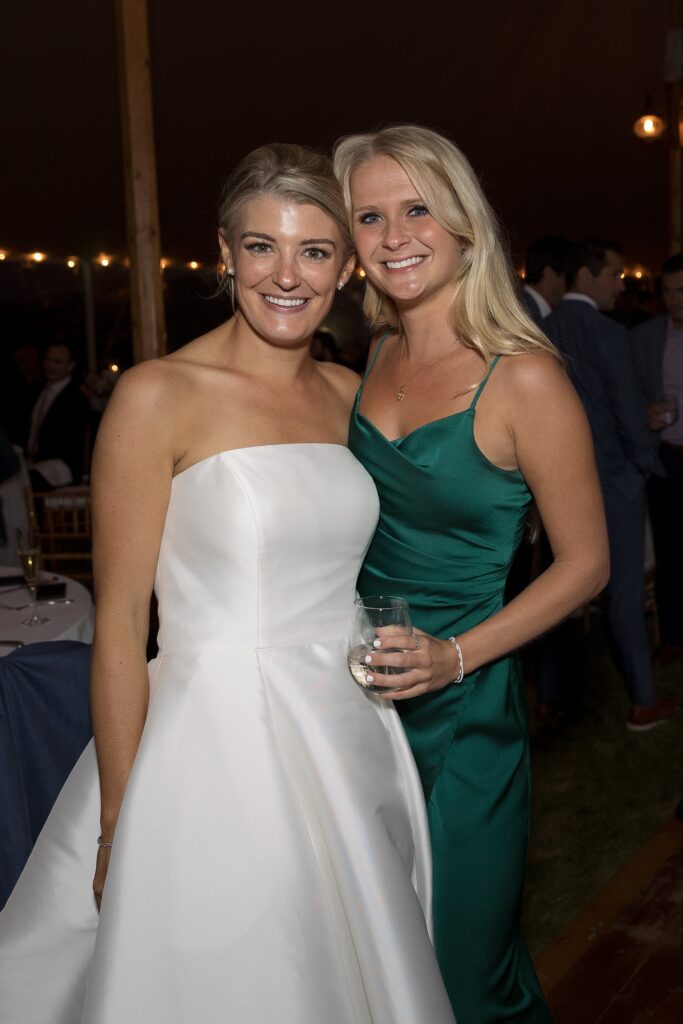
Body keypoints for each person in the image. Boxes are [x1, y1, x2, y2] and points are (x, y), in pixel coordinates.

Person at [0, 145, 455, 1024]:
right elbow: (123, 625)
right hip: (213, 748)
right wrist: (118, 822)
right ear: (223, 253)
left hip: (348, 734)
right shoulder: (156, 395)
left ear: (346, 266)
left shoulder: (346, 392)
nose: (286, 276)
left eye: (314, 251)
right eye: (261, 248)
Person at [335, 125, 609, 1024]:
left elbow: (587, 564)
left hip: (465, 712)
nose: (394, 234)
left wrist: (454, 657)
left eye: (417, 208)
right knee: (379, 962)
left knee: (463, 973)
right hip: (361, 709)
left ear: (463, 225)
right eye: (369, 215)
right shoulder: (369, 361)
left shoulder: (523, 377)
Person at [545, 240, 675, 729]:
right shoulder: (607, 331)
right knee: (622, 594)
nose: (621, 285)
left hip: (557, 484)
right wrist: (644, 465)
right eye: (614, 275)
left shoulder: (543, 329)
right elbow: (625, 413)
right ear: (585, 275)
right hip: (615, 481)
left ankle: (549, 699)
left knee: (558, 592)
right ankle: (642, 701)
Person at [630, 253, 683, 658]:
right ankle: (672, 637)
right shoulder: (646, 336)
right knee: (668, 551)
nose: (673, 300)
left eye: (679, 291)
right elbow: (629, 396)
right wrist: (644, 413)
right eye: (666, 292)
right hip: (665, 458)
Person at [26, 340, 91, 490]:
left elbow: (71, 443)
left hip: (62, 466)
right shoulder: (37, 391)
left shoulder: (76, 398)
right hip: (34, 462)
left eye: (57, 362)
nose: (50, 366)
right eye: (47, 360)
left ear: (70, 366)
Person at [521, 235, 572, 326]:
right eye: (567, 277)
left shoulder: (524, 305)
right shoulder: (526, 315)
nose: (571, 285)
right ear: (549, 274)